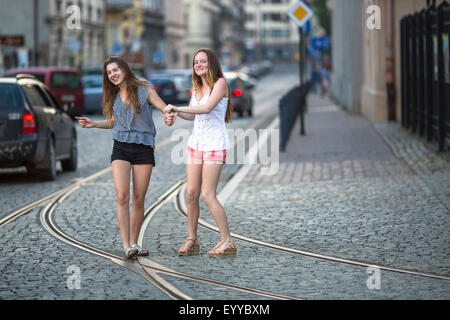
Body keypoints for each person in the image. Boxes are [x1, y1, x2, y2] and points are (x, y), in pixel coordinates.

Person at [75, 56, 175, 259]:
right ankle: (126, 245)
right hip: (120, 147)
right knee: (122, 196)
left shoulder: (144, 89)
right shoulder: (112, 94)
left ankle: (135, 242)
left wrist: (169, 114)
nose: (112, 75)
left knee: (138, 198)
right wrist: (94, 124)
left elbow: (163, 106)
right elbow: (115, 122)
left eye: (115, 70)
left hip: (143, 147)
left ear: (124, 69)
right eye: (109, 72)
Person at [165, 48, 236, 258]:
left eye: (203, 61)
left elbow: (205, 109)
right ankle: (192, 239)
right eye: (196, 62)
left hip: (215, 144)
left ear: (211, 63)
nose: (198, 65)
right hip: (196, 144)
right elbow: (192, 116)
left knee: (208, 194)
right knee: (191, 194)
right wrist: (176, 115)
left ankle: (227, 240)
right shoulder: (196, 87)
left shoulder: (220, 83)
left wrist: (176, 109)